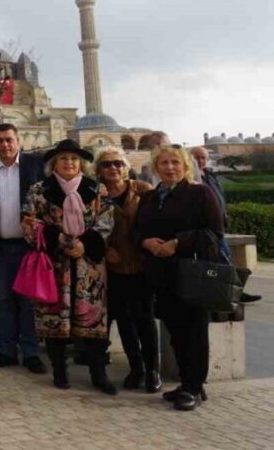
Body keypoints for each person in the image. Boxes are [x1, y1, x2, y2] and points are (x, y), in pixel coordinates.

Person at [22, 140, 115, 394]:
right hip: (55, 265)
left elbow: (106, 222)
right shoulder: (39, 190)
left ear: (81, 163)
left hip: (89, 267)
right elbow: (29, 223)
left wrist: (85, 245)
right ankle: (60, 372)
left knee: (94, 322)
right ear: (54, 163)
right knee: (55, 320)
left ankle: (99, 374)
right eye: (63, 159)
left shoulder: (96, 189)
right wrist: (61, 240)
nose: (69, 163)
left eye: (74, 159)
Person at [136, 145, 224, 411]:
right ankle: (189, 381)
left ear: (186, 166)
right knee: (176, 331)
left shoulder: (200, 193)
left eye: (175, 162)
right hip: (162, 274)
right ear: (156, 167)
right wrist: (146, 242)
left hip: (191, 272)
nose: (170, 167)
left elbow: (214, 233)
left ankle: (193, 388)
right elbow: (139, 229)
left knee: (194, 331)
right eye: (164, 163)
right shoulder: (151, 198)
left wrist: (178, 243)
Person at [0, 123, 47, 374]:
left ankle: (31, 352)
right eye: (0, 140)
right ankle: (5, 350)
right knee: (2, 300)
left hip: (28, 247)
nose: (5, 144)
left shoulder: (35, 166)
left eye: (9, 140)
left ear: (18, 141)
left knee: (28, 301)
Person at [94, 146, 159, 392]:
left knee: (145, 319)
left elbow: (156, 221)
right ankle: (136, 368)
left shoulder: (142, 190)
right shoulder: (96, 194)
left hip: (141, 265)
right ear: (99, 169)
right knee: (124, 320)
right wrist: (103, 249)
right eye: (107, 164)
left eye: (118, 164)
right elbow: (88, 226)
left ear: (125, 167)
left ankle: (152, 370)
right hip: (114, 267)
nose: (113, 168)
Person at [191, 146, 258, 303]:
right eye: (196, 157)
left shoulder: (210, 175)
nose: (200, 160)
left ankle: (232, 292)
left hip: (218, 225)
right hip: (206, 227)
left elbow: (219, 197)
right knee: (221, 261)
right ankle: (231, 293)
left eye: (203, 157)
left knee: (223, 260)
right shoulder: (191, 177)